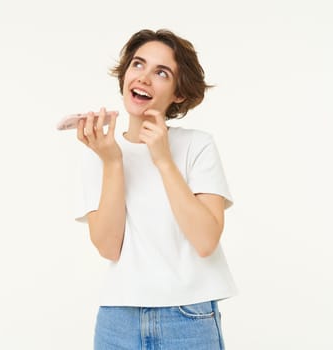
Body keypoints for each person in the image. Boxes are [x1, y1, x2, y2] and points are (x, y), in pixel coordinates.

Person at [74, 29, 237, 349]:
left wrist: (163, 160)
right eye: (138, 65)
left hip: (188, 316)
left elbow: (206, 240)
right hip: (117, 318)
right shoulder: (101, 150)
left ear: (178, 92)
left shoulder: (197, 145)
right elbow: (108, 247)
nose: (144, 77)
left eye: (161, 73)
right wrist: (112, 162)